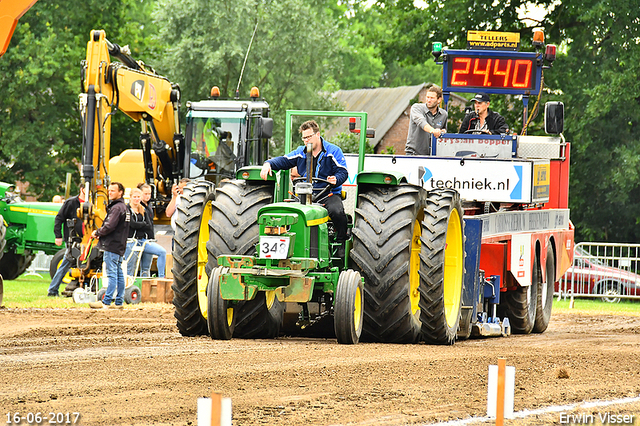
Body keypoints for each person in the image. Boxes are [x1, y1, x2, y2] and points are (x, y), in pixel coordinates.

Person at [260, 120, 348, 257]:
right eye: (304, 138)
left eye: (308, 137)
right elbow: (283, 160)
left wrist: (336, 179)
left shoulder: (333, 151)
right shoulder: (301, 153)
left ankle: (341, 242)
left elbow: (343, 172)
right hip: (304, 195)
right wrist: (268, 164)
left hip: (327, 194)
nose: (306, 141)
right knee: (284, 213)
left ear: (317, 134)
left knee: (338, 212)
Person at [88, 182, 130, 309]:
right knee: (119, 273)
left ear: (120, 192)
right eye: (109, 190)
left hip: (111, 244)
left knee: (112, 273)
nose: (110, 192)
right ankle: (118, 302)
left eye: (113, 190)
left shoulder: (117, 208)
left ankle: (106, 301)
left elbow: (110, 226)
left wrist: (98, 232)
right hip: (120, 245)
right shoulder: (124, 207)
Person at [47, 186, 85, 296]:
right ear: (82, 189)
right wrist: (58, 236)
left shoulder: (93, 204)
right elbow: (59, 218)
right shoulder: (71, 203)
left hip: (87, 240)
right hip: (73, 240)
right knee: (66, 262)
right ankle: (53, 290)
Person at [124, 187, 167, 278]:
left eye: (138, 197)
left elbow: (149, 225)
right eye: (135, 197)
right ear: (130, 197)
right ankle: (129, 287)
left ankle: (161, 277)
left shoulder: (143, 209)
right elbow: (132, 224)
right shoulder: (126, 209)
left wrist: (140, 225)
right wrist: (142, 225)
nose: (137, 199)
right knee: (130, 269)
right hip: (131, 242)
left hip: (143, 240)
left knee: (161, 252)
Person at [405, 84, 448, 156]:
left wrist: (443, 132)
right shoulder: (416, 108)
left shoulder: (444, 114)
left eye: (432, 98)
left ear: (439, 100)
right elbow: (421, 122)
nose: (429, 100)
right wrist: (433, 130)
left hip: (432, 155)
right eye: (427, 97)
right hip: (414, 154)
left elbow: (444, 133)